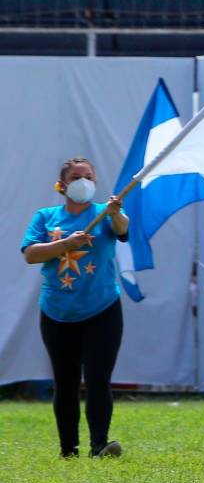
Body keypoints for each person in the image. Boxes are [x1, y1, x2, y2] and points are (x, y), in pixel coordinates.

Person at [21, 157, 128, 458]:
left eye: (89, 176)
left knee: (97, 378)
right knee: (65, 382)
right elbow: (30, 254)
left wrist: (116, 213)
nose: (84, 182)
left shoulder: (105, 213)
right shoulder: (45, 217)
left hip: (103, 310)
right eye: (77, 177)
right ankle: (68, 449)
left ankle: (100, 444)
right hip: (57, 312)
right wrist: (64, 244)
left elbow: (123, 230)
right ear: (63, 184)